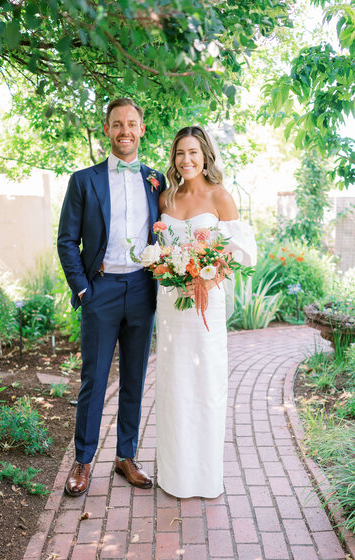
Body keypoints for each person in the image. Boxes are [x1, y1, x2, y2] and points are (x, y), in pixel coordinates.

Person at [57, 98, 166, 497]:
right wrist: (82, 289)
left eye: (131, 123)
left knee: (135, 377)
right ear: (107, 130)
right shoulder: (83, 180)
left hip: (142, 288)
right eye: (117, 124)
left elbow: (168, 232)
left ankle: (125, 456)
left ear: (141, 129)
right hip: (99, 289)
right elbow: (67, 240)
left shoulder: (156, 180)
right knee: (94, 380)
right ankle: (83, 462)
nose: (125, 131)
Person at [155, 126, 257, 498]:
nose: (187, 160)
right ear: (174, 158)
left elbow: (241, 249)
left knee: (206, 384)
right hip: (171, 305)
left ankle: (204, 477)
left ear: (205, 155)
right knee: (174, 384)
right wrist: (167, 267)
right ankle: (174, 475)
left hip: (206, 302)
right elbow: (159, 248)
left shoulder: (220, 196)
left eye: (193, 152)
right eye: (180, 153)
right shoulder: (166, 198)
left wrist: (209, 279)